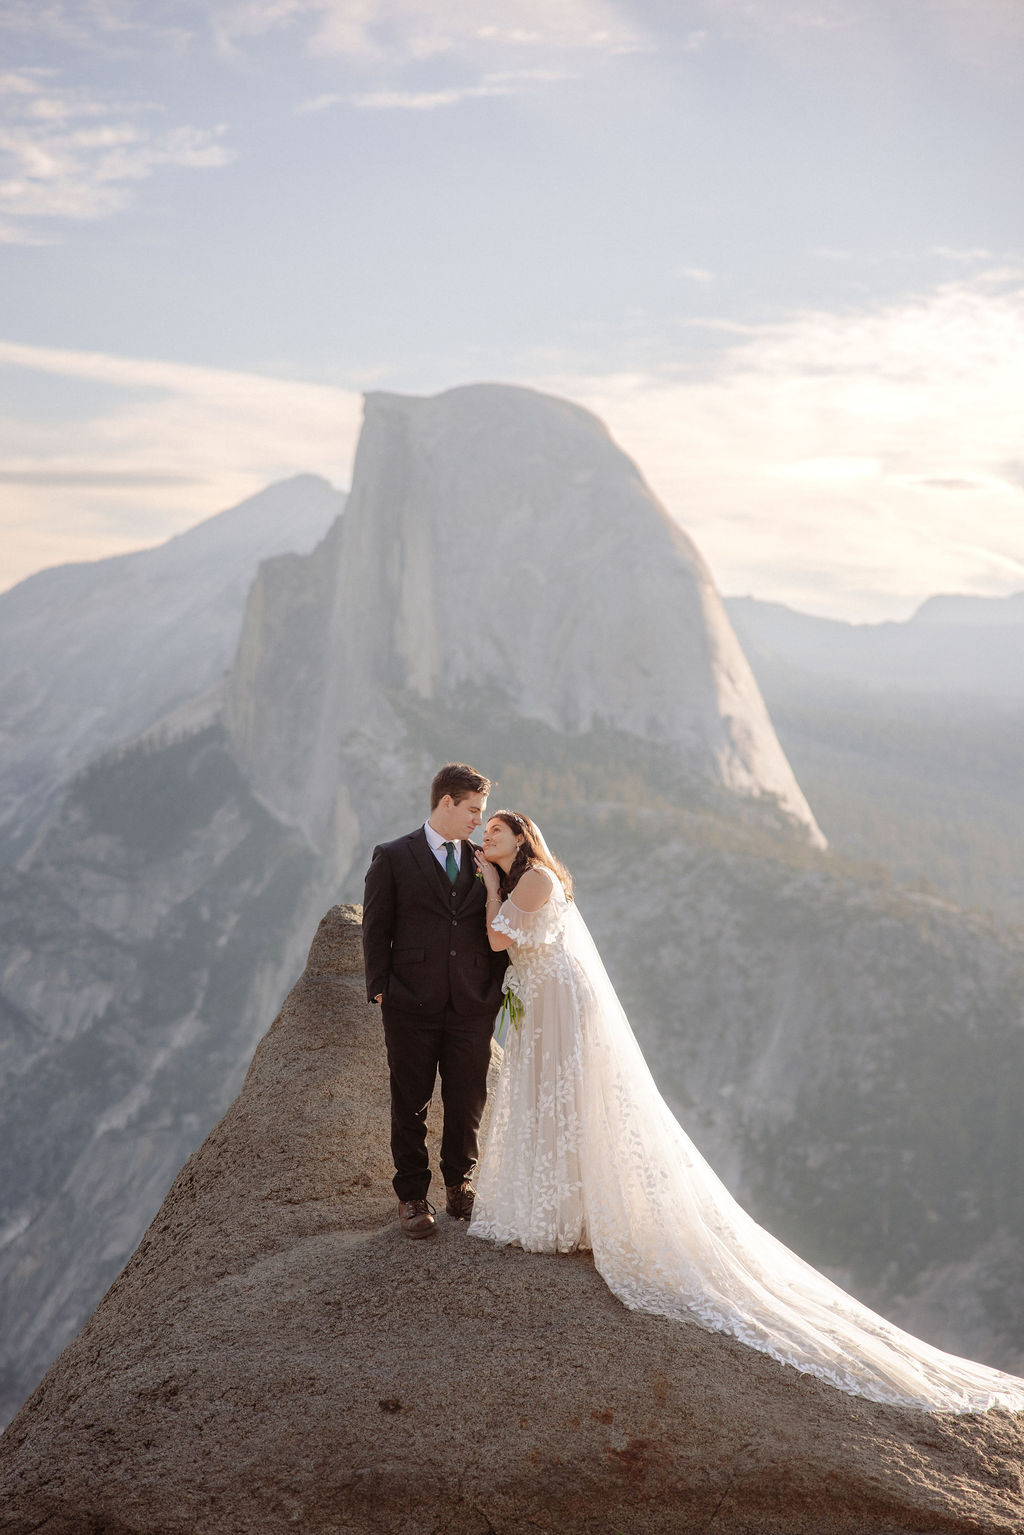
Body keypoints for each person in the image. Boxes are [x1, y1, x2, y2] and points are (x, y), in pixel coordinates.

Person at [469, 809, 1024, 1413]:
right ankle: (561, 1209)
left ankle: (575, 1213)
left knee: (570, 1103)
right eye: (485, 829)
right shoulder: (520, 878)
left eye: (498, 828)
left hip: (561, 1001)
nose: (487, 835)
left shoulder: (533, 878)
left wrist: (492, 886)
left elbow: (502, 938)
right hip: (541, 1000)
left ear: (523, 837)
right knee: (553, 1104)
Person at [362, 763, 507, 1239]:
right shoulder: (393, 855)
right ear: (447, 802)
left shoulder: (484, 860)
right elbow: (376, 926)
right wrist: (381, 988)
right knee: (411, 1102)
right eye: (473, 810)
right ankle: (412, 1196)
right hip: (410, 1005)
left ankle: (459, 1186)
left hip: (471, 1004)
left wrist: (494, 988)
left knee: (467, 1098)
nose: (478, 822)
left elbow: (499, 927)